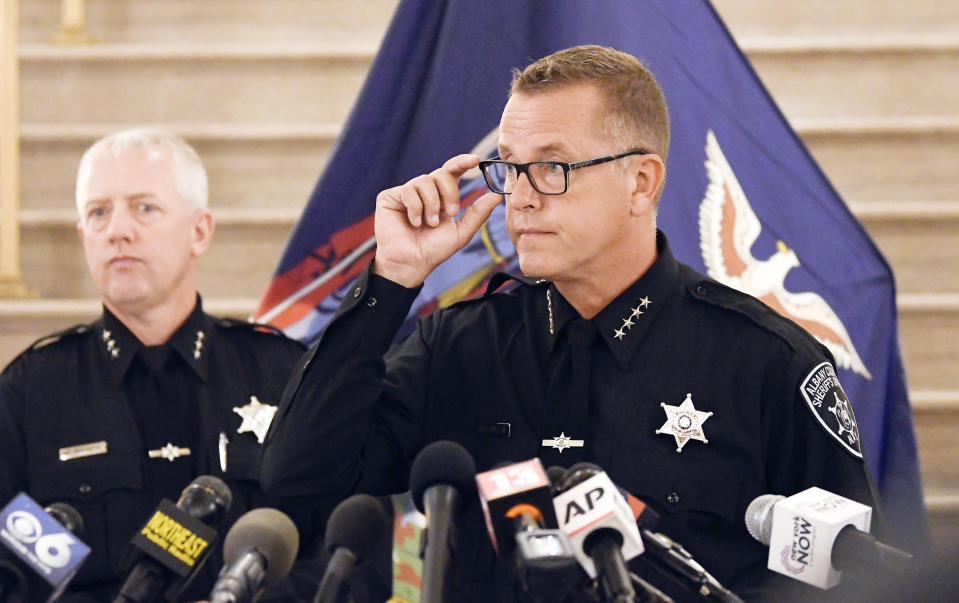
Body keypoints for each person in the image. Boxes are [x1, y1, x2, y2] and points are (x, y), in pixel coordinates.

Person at [260, 46, 884, 601]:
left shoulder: (766, 362)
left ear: (640, 182)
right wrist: (391, 281)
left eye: (553, 167)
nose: (521, 197)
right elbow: (301, 485)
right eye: (510, 166)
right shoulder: (461, 343)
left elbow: (861, 576)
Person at [0, 129, 307, 602]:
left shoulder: (281, 374)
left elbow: (346, 556)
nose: (117, 230)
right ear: (84, 235)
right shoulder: (32, 392)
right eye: (98, 212)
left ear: (199, 231)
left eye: (145, 208)